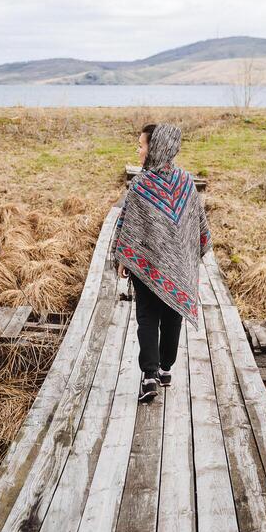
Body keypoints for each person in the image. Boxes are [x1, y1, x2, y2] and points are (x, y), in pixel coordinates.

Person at [110, 122, 212, 403]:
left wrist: (123, 256)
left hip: (148, 266)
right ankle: (164, 368)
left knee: (147, 317)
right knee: (171, 317)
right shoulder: (186, 181)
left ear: (155, 148)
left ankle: (151, 373)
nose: (138, 149)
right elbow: (130, 221)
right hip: (172, 267)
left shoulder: (142, 184)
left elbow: (126, 223)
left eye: (141, 145)